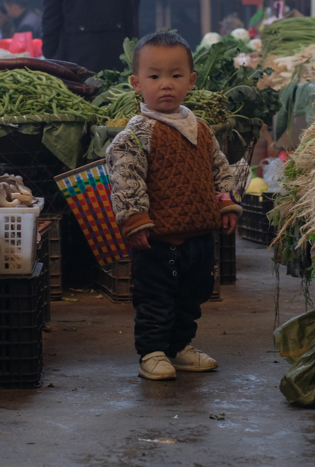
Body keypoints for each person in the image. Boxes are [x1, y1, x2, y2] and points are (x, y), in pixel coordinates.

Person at [106, 32, 241, 381]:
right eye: (154, 76)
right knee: (155, 300)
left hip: (199, 235)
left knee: (191, 298)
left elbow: (219, 168)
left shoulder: (201, 128)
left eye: (176, 75)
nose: (166, 84)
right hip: (157, 239)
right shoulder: (136, 134)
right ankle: (152, 352)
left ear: (191, 81)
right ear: (137, 83)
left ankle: (180, 348)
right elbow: (126, 180)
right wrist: (135, 221)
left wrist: (226, 201)